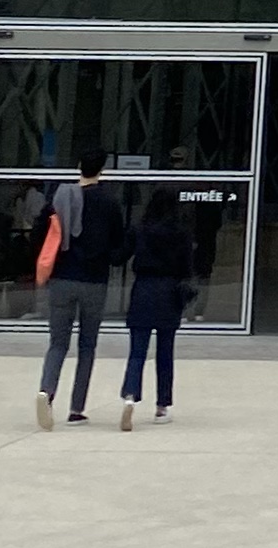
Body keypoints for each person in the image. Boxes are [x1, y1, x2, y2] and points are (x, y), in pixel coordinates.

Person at [35, 152, 128, 426]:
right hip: (94, 281)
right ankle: (76, 409)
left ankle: (46, 392)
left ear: (78, 167)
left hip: (62, 278)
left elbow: (40, 232)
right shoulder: (110, 203)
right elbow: (118, 245)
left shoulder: (59, 198)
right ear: (102, 170)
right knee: (87, 345)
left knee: (57, 343)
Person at [118, 189, 194, 428]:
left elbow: (120, 256)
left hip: (143, 288)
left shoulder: (139, 230)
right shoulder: (181, 233)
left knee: (137, 352)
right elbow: (187, 267)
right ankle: (162, 407)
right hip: (169, 291)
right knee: (165, 353)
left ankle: (130, 395)